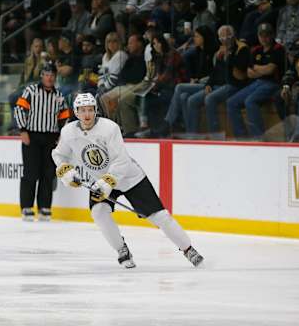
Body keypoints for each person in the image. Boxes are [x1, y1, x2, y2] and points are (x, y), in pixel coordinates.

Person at [52, 93, 204, 268]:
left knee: (159, 216)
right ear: (76, 112)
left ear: (96, 111)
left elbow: (122, 160)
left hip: (129, 177)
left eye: (90, 110)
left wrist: (108, 181)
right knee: (99, 212)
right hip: (101, 181)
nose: (87, 114)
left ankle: (188, 249)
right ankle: (121, 249)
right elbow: (59, 154)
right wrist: (64, 170)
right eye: (82, 110)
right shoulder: (68, 132)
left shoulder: (109, 128)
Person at [14, 62, 70, 222]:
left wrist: (61, 134)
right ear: (42, 76)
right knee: (31, 172)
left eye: (52, 75)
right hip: (31, 135)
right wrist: (23, 130)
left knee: (48, 173)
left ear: (55, 77)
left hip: (51, 138)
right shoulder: (31, 91)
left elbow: (65, 115)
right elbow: (19, 109)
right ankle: (26, 207)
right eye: (47, 75)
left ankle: (45, 207)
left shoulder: (59, 95)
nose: (49, 78)